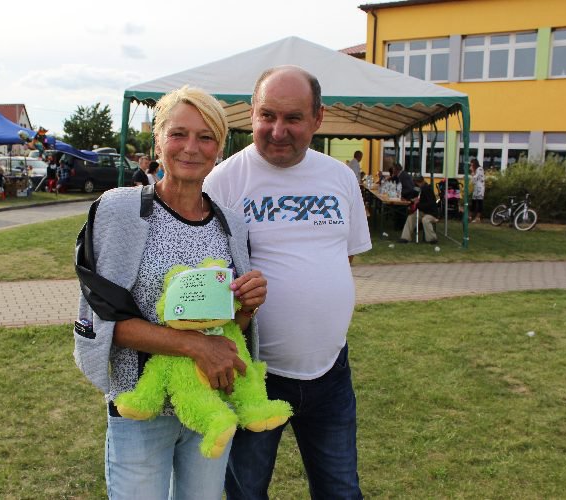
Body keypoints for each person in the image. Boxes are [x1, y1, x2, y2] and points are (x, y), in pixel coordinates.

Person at [74, 85, 268, 500]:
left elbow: (226, 326)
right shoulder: (120, 211)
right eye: (178, 133)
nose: (191, 148)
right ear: (158, 142)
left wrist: (247, 306)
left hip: (210, 403)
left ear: (219, 148)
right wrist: (194, 346)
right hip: (141, 408)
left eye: (205, 137)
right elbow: (102, 318)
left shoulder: (231, 224)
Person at [203, 65, 371, 500]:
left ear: (317, 118)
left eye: (293, 118)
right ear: (252, 114)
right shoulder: (223, 181)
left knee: (341, 490)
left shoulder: (340, 177)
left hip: (331, 371)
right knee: (246, 492)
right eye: (267, 115)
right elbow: (204, 278)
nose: (278, 131)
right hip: (254, 374)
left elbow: (345, 255)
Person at [398, 175, 439, 244]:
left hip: (431, 213)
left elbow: (430, 204)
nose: (416, 185)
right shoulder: (422, 188)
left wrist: (417, 204)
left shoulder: (427, 189)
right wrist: (412, 200)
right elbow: (418, 198)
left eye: (417, 183)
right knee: (410, 218)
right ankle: (405, 237)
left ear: (420, 182)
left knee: (425, 220)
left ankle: (432, 239)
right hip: (423, 211)